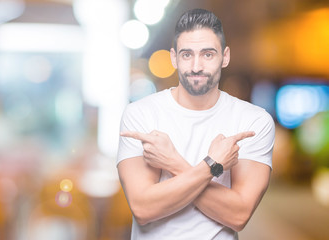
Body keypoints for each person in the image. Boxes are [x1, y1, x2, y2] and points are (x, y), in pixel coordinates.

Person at [116, 8, 275, 240]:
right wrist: (213, 165)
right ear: (174, 57)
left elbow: (239, 215)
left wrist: (172, 162)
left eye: (208, 54)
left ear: (225, 56)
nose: (196, 66)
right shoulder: (141, 114)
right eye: (187, 54)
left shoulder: (253, 121)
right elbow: (143, 208)